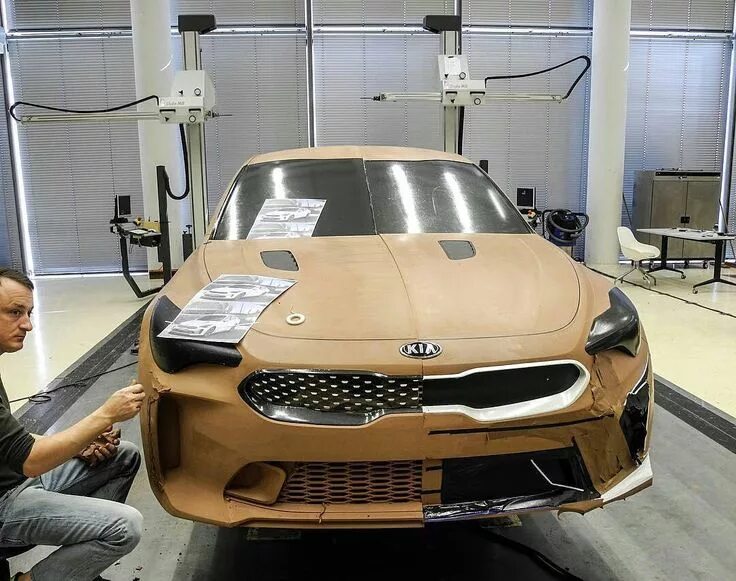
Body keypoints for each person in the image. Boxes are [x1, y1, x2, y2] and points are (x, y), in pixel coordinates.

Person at [0, 267, 145, 581]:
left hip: (17, 482)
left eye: (28, 313)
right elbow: (31, 460)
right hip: (4, 505)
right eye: (14, 312)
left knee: (124, 456)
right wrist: (105, 415)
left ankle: (77, 572)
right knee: (125, 527)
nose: (27, 324)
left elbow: (11, 440)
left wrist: (81, 444)